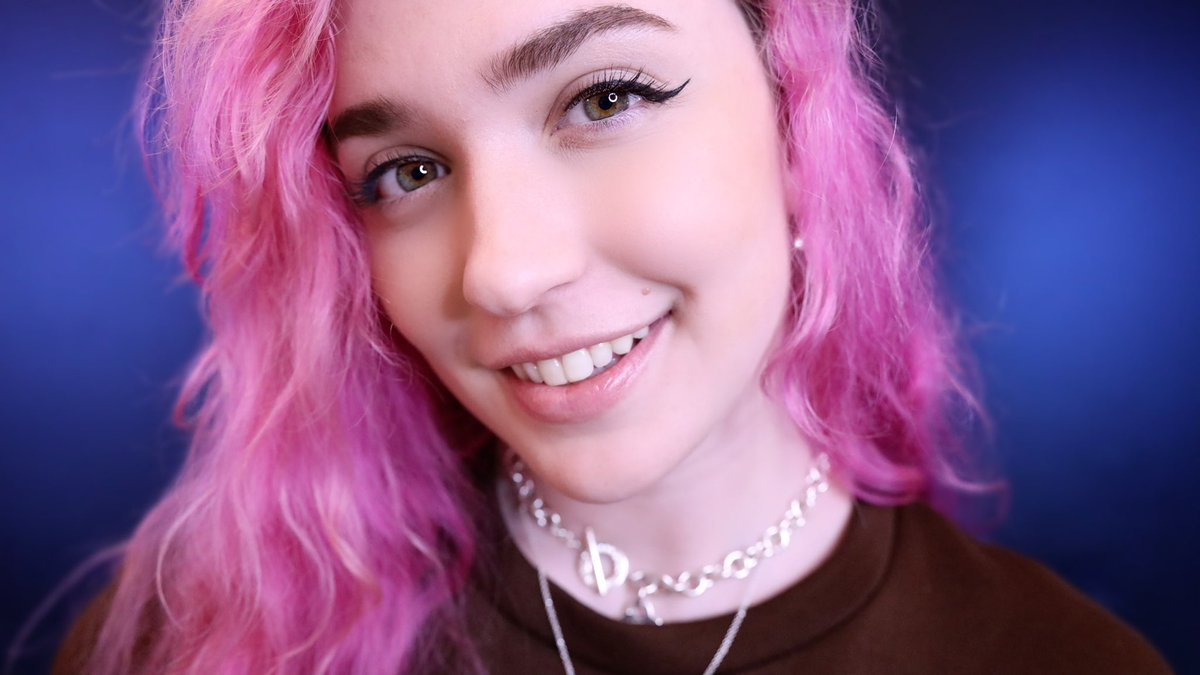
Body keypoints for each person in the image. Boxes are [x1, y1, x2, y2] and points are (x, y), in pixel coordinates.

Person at [55, 0, 1170, 673]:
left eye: (604, 100)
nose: (503, 270)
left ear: (795, 113)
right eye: (406, 172)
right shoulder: (194, 639)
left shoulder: (1059, 663)